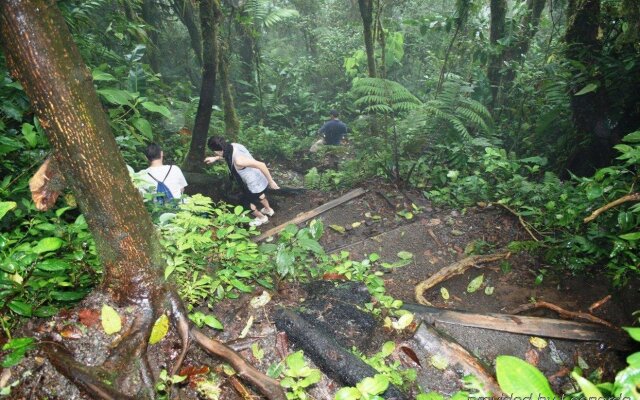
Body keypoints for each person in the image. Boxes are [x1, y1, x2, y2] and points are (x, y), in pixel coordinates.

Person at [204, 136, 279, 227]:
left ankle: (262, 218)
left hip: (253, 183)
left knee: (245, 203)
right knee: (260, 195)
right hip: (258, 177)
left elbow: (261, 164)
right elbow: (227, 155)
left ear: (217, 150)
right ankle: (268, 210)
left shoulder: (239, 161)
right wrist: (215, 158)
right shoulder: (233, 146)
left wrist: (271, 181)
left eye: (215, 152)